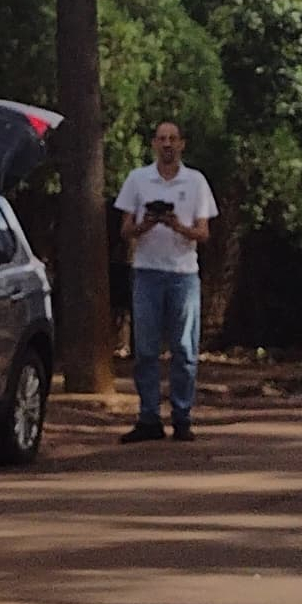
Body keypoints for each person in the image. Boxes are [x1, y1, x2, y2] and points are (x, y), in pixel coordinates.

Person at [114, 119, 216, 443]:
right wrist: (147, 224)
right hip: (147, 272)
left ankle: (182, 417)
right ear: (154, 144)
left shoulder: (196, 181)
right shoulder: (138, 179)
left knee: (184, 349)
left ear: (182, 144)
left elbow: (203, 233)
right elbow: (125, 229)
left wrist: (175, 225)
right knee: (145, 349)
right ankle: (148, 418)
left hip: (183, 275)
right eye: (162, 138)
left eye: (173, 138)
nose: (167, 144)